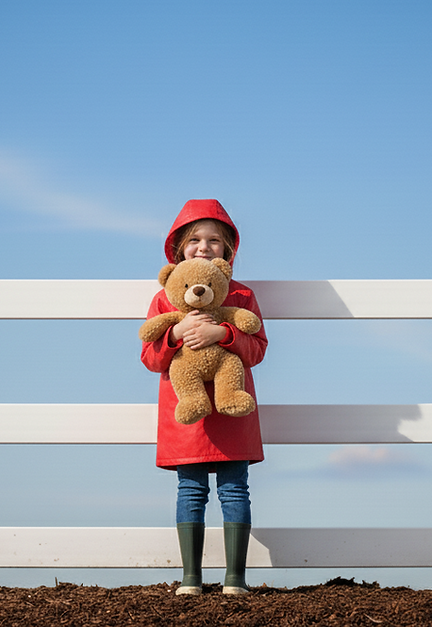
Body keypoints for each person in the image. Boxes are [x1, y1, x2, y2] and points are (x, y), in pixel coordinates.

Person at [140, 199, 267, 596]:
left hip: (232, 409)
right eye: (194, 239)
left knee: (234, 487)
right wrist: (175, 334)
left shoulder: (241, 295)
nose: (203, 246)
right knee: (190, 489)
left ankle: (235, 578)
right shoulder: (165, 298)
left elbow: (258, 348)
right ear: (178, 247)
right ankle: (190, 577)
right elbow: (150, 356)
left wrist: (223, 334)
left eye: (214, 240)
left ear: (228, 250)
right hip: (188, 411)